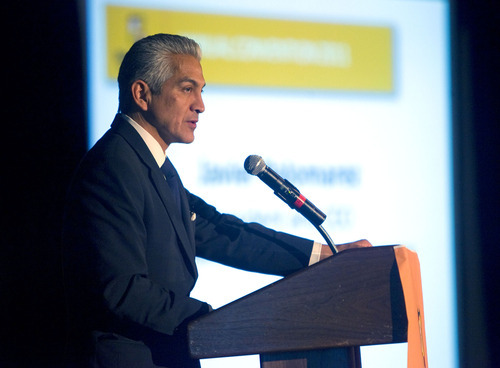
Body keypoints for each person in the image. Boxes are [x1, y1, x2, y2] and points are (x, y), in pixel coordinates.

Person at [62, 33, 371, 368]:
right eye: (186, 88)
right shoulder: (112, 168)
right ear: (142, 94)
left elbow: (221, 231)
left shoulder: (150, 164)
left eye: (201, 90)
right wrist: (212, 319)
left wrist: (323, 256)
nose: (201, 104)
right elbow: (122, 289)